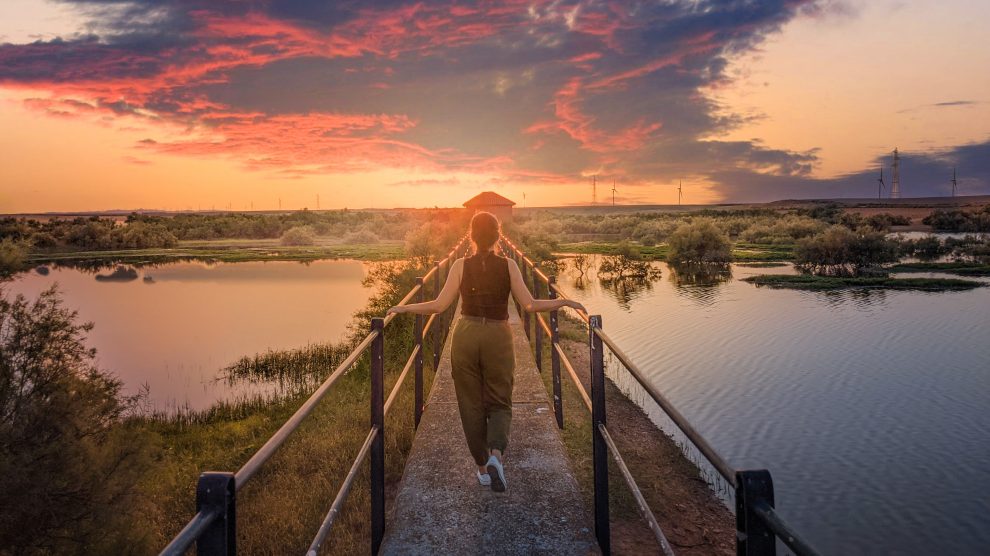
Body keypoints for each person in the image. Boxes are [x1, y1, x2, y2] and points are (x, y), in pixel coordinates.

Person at [387, 212, 585, 492]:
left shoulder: (459, 265)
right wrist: (563, 301)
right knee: (501, 400)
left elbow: (439, 306)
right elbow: (528, 304)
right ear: (498, 236)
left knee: (470, 404)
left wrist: (404, 308)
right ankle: (496, 456)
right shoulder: (508, 266)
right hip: (497, 336)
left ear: (471, 235)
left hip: (465, 334)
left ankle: (481, 468)